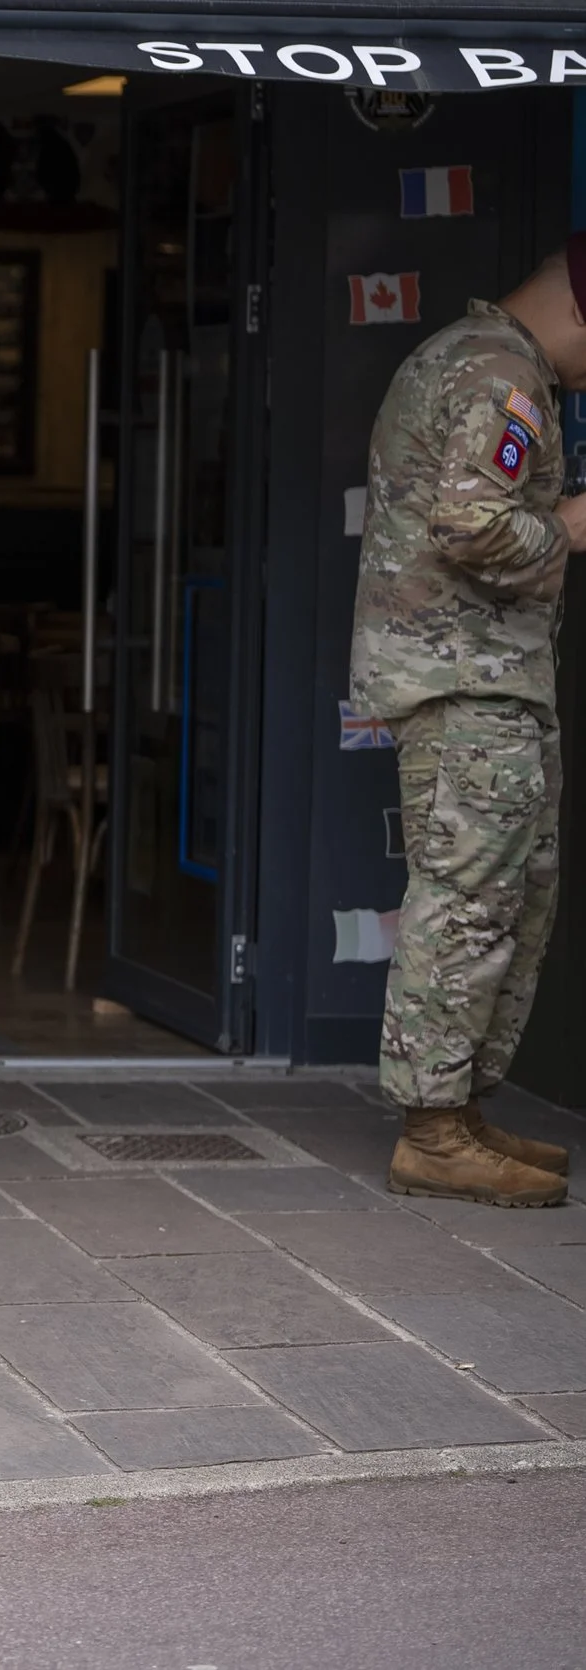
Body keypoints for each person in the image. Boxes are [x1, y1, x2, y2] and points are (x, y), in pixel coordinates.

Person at [352, 240, 586, 1207]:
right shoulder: (499, 373)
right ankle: (434, 1133)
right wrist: (568, 525)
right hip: (465, 682)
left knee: (510, 898)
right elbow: (471, 521)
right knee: (467, 903)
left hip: (486, 678)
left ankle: (460, 1111)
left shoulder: (486, 361)